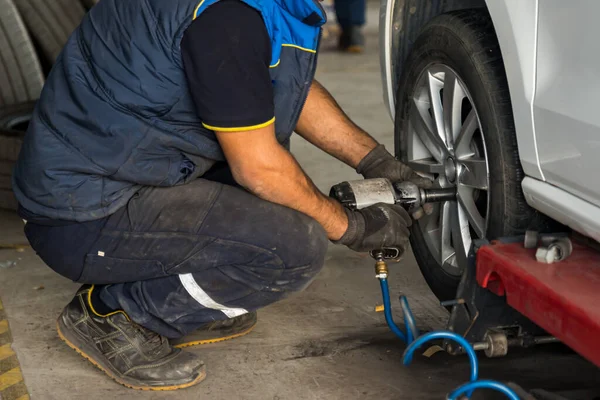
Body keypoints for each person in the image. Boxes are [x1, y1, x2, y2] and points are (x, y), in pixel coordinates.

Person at [13, 0, 430, 391]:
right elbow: (259, 168)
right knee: (293, 246)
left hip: (115, 169)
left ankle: (174, 291)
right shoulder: (227, 18)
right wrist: (351, 227)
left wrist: (374, 161)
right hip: (83, 212)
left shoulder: (246, 12)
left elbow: (277, 84)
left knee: (278, 202)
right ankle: (116, 313)